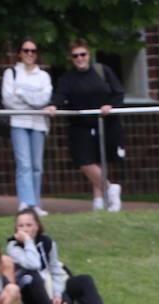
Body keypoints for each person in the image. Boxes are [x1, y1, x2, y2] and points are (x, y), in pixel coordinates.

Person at [6, 207, 123, 304]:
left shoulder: (47, 242)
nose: (25, 229)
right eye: (21, 226)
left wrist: (58, 294)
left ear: (37, 226)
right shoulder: (13, 246)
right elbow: (34, 264)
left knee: (85, 279)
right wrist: (27, 241)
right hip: (30, 291)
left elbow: (55, 270)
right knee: (33, 276)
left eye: (29, 225)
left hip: (49, 286)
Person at [47, 41, 124, 212]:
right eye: (76, 56)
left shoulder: (102, 71)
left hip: (104, 123)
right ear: (71, 58)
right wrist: (53, 105)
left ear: (89, 55)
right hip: (80, 125)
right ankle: (111, 188)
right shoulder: (67, 78)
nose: (80, 58)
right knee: (84, 161)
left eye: (83, 54)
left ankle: (99, 200)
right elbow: (60, 95)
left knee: (100, 161)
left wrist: (110, 106)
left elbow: (118, 92)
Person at [3, 40, 53, 215]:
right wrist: (34, 100)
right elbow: (8, 100)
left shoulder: (43, 76)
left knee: (36, 165)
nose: (30, 54)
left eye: (33, 50)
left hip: (39, 123)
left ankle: (36, 204)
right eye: (26, 50)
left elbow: (44, 99)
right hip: (18, 122)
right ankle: (26, 202)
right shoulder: (11, 73)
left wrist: (22, 93)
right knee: (24, 164)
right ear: (20, 53)